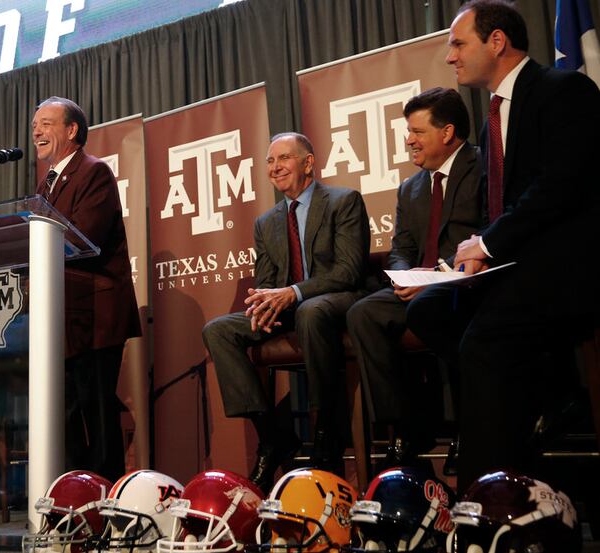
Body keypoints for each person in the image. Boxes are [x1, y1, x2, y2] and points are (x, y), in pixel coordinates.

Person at [406, 0, 600, 490]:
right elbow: (502, 207)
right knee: (429, 311)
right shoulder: (493, 114)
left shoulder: (563, 90)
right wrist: (477, 254)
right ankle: (535, 399)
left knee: (483, 344)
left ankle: (486, 499)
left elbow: (560, 187)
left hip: (564, 266)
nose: (450, 57)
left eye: (458, 43)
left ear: (497, 42)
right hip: (514, 268)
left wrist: (487, 244)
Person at [202, 132, 369, 491]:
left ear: (308, 163)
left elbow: (349, 271)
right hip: (290, 306)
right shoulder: (266, 222)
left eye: (284, 159)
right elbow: (266, 280)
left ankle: (326, 435)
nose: (275, 167)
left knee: (310, 310)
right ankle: (273, 436)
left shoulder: (343, 201)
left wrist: (292, 293)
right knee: (218, 329)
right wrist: (263, 304)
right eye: (270, 161)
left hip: (336, 300)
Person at [346, 87, 483, 468]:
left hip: (467, 282)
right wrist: (405, 276)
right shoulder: (411, 187)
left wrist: (442, 274)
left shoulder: (483, 166)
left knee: (438, 307)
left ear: (447, 132)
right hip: (419, 287)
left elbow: (492, 228)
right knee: (363, 313)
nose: (409, 140)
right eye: (409, 132)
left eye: (418, 132)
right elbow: (402, 248)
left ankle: (466, 427)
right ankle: (405, 428)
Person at [31, 96, 141, 481]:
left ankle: (106, 494)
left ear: (72, 130)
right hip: (62, 315)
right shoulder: (45, 183)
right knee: (66, 412)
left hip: (95, 314)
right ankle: (75, 492)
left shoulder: (94, 172)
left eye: (46, 123)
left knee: (96, 409)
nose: (37, 132)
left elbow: (83, 238)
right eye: (35, 126)